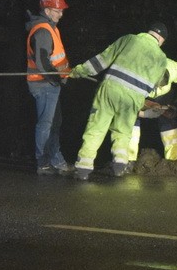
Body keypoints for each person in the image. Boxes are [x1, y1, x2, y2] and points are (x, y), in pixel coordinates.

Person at [70, 23, 169, 180]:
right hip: (132, 99)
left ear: (147, 32)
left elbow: (102, 60)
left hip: (110, 90)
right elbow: (153, 86)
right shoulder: (162, 58)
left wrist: (79, 71)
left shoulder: (129, 39)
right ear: (161, 40)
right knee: (122, 131)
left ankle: (83, 169)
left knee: (96, 128)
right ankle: (119, 166)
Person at [26, 0, 74, 176]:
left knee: (54, 123)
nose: (61, 14)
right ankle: (44, 162)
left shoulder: (51, 28)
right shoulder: (43, 31)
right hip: (44, 85)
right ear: (47, 10)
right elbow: (43, 62)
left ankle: (55, 160)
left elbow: (55, 59)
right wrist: (57, 77)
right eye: (57, 10)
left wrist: (62, 76)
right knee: (46, 124)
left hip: (52, 85)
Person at [127, 58, 177, 171]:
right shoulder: (134, 73)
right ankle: (128, 161)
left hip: (165, 95)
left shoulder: (174, 69)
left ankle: (172, 162)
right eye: (156, 85)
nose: (157, 88)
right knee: (131, 119)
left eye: (160, 85)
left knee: (168, 124)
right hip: (137, 95)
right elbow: (128, 102)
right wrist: (144, 113)